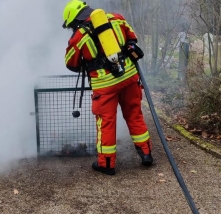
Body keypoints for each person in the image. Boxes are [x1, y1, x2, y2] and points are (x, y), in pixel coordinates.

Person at [62, 0, 153, 175]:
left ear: (74, 20)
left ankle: (107, 164)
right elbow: (132, 38)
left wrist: (90, 62)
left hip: (105, 86)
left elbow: (71, 64)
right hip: (129, 77)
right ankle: (146, 154)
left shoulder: (79, 37)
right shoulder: (116, 18)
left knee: (106, 123)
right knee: (134, 114)